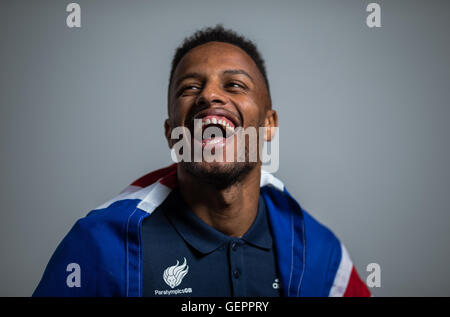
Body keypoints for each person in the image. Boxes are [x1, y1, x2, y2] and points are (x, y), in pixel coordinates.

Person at [33, 25, 370, 297]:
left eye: (235, 85)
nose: (209, 95)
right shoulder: (98, 247)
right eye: (189, 88)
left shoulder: (322, 256)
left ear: (268, 125)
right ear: (171, 132)